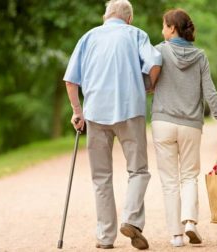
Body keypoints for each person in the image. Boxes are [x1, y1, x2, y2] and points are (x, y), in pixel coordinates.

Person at [63, 0, 162, 249]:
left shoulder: (88, 37)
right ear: (129, 19)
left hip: (96, 113)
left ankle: (106, 237)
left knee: (101, 178)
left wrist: (77, 112)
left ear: (104, 16)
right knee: (138, 171)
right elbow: (155, 63)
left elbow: (71, 81)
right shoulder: (137, 35)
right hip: (130, 111)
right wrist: (147, 87)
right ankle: (131, 219)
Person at [150, 8, 217, 247]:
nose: (162, 30)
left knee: (169, 181)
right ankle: (190, 223)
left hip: (163, 122)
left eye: (164, 25)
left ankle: (176, 236)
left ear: (172, 28)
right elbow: (210, 92)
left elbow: (147, 81)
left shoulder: (159, 51)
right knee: (188, 177)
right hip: (190, 126)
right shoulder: (200, 56)